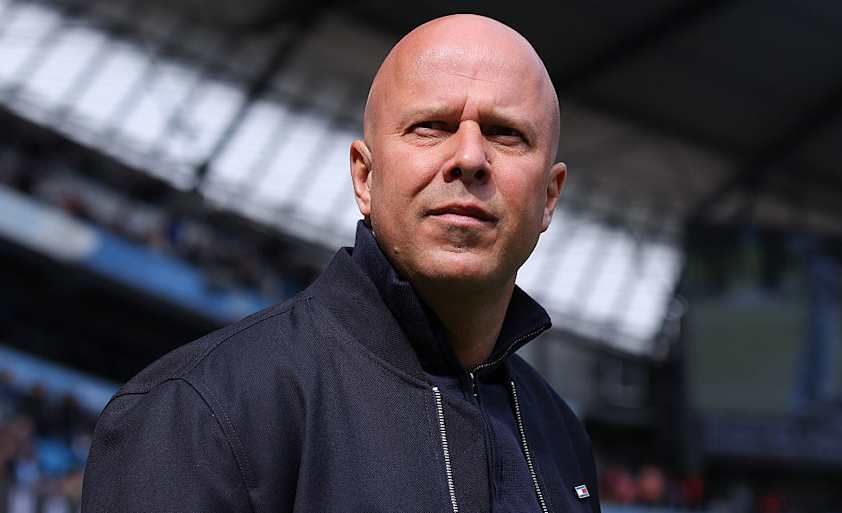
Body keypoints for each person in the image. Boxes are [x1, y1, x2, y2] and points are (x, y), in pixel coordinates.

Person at [82, 13, 598, 513]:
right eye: (431, 127)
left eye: (505, 134)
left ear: (549, 197)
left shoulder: (560, 437)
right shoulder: (202, 408)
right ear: (364, 178)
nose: (469, 158)